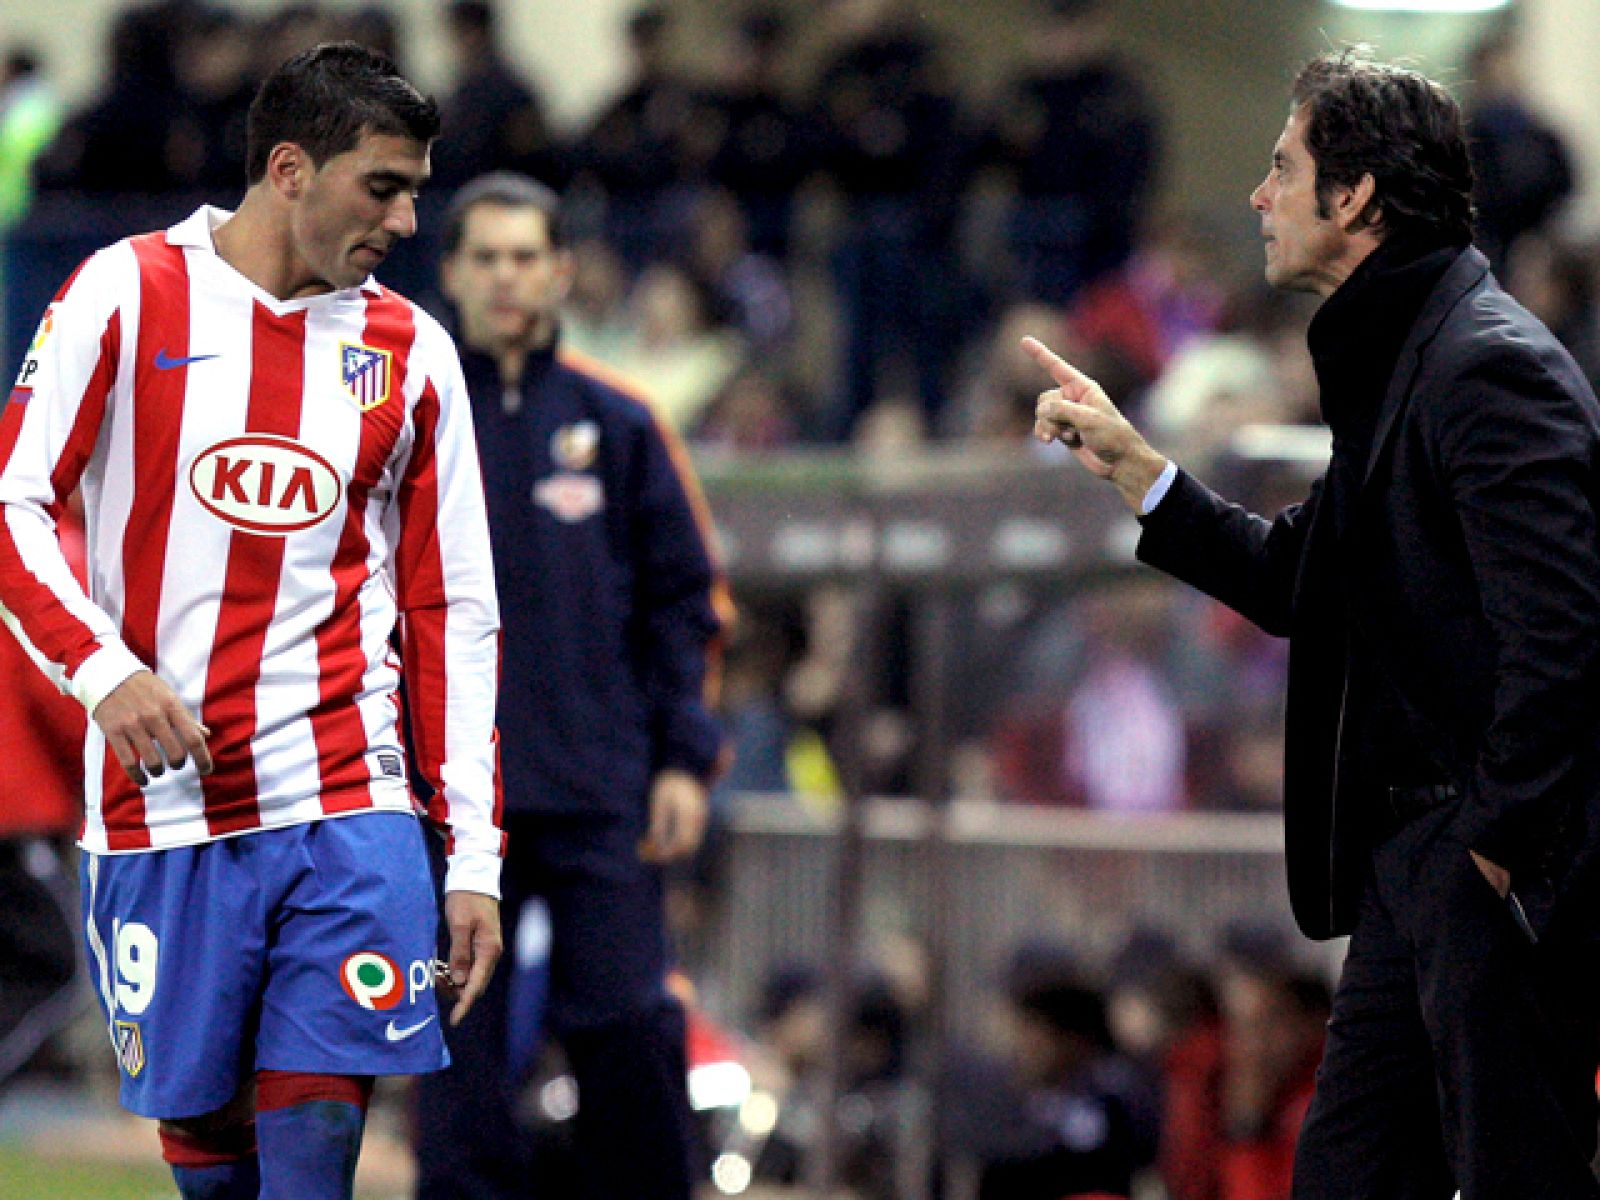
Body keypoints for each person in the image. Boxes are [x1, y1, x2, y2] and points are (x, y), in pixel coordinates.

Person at [1026, 50, 1600, 1197]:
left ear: (1356, 198)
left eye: (1282, 169)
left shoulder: (1485, 367)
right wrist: (1140, 471)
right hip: (1419, 864)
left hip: (1491, 866)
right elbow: (1304, 579)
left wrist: (1490, 846)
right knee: (1345, 1176)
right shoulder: (1405, 357)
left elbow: (1565, 637)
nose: (1257, 196)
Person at [0, 43, 503, 1200]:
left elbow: (454, 610)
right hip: (164, 811)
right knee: (215, 1173)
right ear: (289, 170)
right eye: (383, 187)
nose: (407, 221)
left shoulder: (413, 354)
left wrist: (471, 851)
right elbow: (13, 504)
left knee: (314, 1158)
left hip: (349, 801)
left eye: (415, 191)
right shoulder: (122, 292)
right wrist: (103, 673)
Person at [413, 172, 728, 1200]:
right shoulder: (412, 422)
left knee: (631, 1024)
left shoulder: (622, 424)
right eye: (486, 258)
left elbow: (685, 602)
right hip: (453, 797)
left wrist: (682, 759)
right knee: (452, 1043)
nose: (506, 278)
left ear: (559, 271)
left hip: (601, 788)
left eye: (525, 257)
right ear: (452, 272)